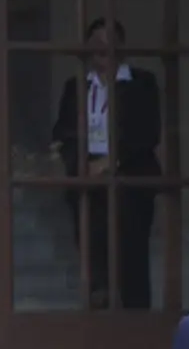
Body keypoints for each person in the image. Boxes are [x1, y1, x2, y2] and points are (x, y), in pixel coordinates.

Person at [53, 17, 162, 310]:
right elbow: (63, 132)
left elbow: (147, 133)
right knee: (92, 253)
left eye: (109, 41)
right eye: (96, 42)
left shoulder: (141, 83)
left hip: (130, 178)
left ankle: (136, 321)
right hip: (87, 181)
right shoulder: (76, 86)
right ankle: (99, 313)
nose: (103, 48)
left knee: (131, 254)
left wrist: (110, 162)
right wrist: (79, 165)